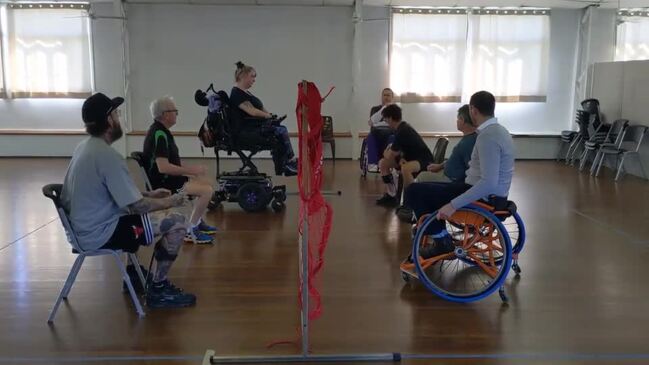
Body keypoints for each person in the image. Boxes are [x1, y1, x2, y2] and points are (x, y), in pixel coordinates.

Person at [61, 92, 196, 308]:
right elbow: (137, 206)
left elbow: (115, 194)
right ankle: (159, 290)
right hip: (100, 234)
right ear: (109, 121)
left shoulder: (85, 148)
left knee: (135, 214)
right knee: (178, 221)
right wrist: (172, 201)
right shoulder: (107, 156)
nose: (119, 118)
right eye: (116, 114)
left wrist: (149, 194)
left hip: (83, 230)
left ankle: (133, 273)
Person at [404, 91, 514, 260]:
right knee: (426, 190)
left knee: (413, 191)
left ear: (473, 110)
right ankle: (435, 231)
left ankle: (441, 240)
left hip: (482, 196)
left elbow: (489, 182)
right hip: (488, 193)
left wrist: (453, 205)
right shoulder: (500, 131)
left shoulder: (488, 137)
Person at [142, 96, 217, 244]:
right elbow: (163, 167)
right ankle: (191, 230)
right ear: (165, 114)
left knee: (207, 182)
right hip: (164, 185)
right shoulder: (159, 134)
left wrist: (190, 171)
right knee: (206, 191)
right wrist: (191, 170)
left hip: (170, 179)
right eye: (175, 111)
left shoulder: (162, 131)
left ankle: (197, 220)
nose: (177, 114)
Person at [228, 61, 297, 176]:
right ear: (243, 77)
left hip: (253, 127)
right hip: (246, 132)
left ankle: (285, 165)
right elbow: (252, 111)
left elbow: (259, 109)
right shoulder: (236, 93)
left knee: (279, 129)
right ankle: (289, 162)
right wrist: (268, 116)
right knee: (281, 130)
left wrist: (271, 117)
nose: (254, 80)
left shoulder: (246, 93)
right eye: (252, 77)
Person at [375, 104, 434, 208]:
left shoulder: (402, 130)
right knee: (383, 164)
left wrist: (386, 151)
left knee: (404, 168)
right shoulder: (401, 129)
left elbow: (389, 155)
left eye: (386, 119)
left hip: (424, 160)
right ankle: (391, 195)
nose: (386, 123)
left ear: (390, 118)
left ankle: (410, 200)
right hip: (411, 158)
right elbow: (399, 151)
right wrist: (401, 157)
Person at [416, 104, 477, 183]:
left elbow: (470, 168)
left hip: (450, 180)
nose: (456, 121)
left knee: (421, 176)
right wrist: (440, 166)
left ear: (463, 120)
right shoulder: (468, 138)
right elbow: (455, 160)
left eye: (458, 118)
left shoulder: (469, 143)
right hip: (446, 173)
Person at [365, 88, 395, 172]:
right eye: (384, 95)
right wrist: (384, 108)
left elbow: (394, 124)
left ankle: (390, 163)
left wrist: (378, 123)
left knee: (393, 138)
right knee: (370, 137)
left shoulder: (395, 110)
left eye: (388, 95)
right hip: (376, 134)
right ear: (381, 97)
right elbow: (371, 122)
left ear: (392, 97)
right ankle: (372, 164)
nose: (386, 97)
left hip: (390, 134)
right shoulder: (375, 109)